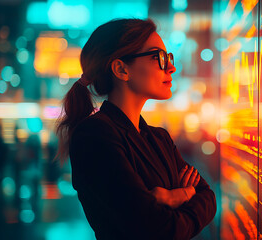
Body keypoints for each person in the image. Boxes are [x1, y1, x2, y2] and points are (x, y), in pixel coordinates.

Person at [55, 18, 216, 240]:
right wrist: (186, 195)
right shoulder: (93, 136)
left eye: (168, 57)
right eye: (159, 57)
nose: (171, 66)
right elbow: (160, 230)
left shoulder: (159, 137)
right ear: (121, 69)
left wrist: (174, 196)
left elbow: (208, 196)